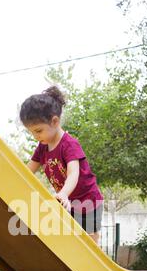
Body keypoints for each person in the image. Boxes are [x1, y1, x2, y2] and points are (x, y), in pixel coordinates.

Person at [19, 85, 103, 245]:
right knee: (70, 240)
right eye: (32, 133)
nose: (36, 136)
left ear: (55, 121)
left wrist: (63, 193)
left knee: (90, 240)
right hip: (68, 202)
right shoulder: (43, 146)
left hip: (88, 200)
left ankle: (95, 264)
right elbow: (27, 170)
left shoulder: (69, 144)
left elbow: (73, 173)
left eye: (38, 131)